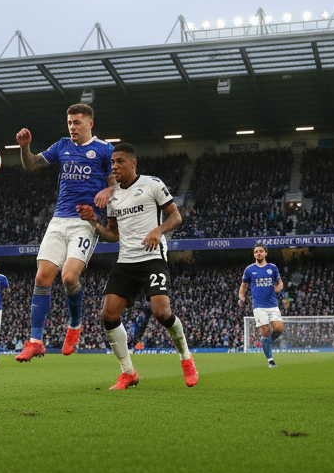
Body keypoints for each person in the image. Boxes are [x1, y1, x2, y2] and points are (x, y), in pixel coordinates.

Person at [77, 143, 197, 390]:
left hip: (152, 257)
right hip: (126, 260)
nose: (114, 166)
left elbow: (176, 217)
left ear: (133, 163)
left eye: (119, 161)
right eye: (112, 163)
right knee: (108, 315)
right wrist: (92, 221)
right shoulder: (114, 196)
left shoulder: (153, 184)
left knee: (162, 313)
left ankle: (186, 358)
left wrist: (158, 229)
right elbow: (113, 234)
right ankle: (128, 372)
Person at [14, 99, 115, 362]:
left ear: (90, 124)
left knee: (69, 278)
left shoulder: (105, 150)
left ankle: (75, 323)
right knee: (42, 278)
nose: (72, 127)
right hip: (59, 220)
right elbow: (31, 165)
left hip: (86, 222)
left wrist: (108, 189)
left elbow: (120, 182)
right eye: (69, 122)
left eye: (77, 122)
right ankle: (35, 341)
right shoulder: (62, 145)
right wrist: (24, 148)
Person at [239, 243, 283, 368]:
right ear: (254, 254)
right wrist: (241, 296)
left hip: (273, 305)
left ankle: (267, 342)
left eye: (260, 251)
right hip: (259, 306)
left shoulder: (272, 267)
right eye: (256, 251)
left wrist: (279, 287)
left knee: (279, 329)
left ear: (265, 253)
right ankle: (270, 360)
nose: (258, 253)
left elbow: (280, 282)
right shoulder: (249, 269)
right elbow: (243, 286)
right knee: (265, 331)